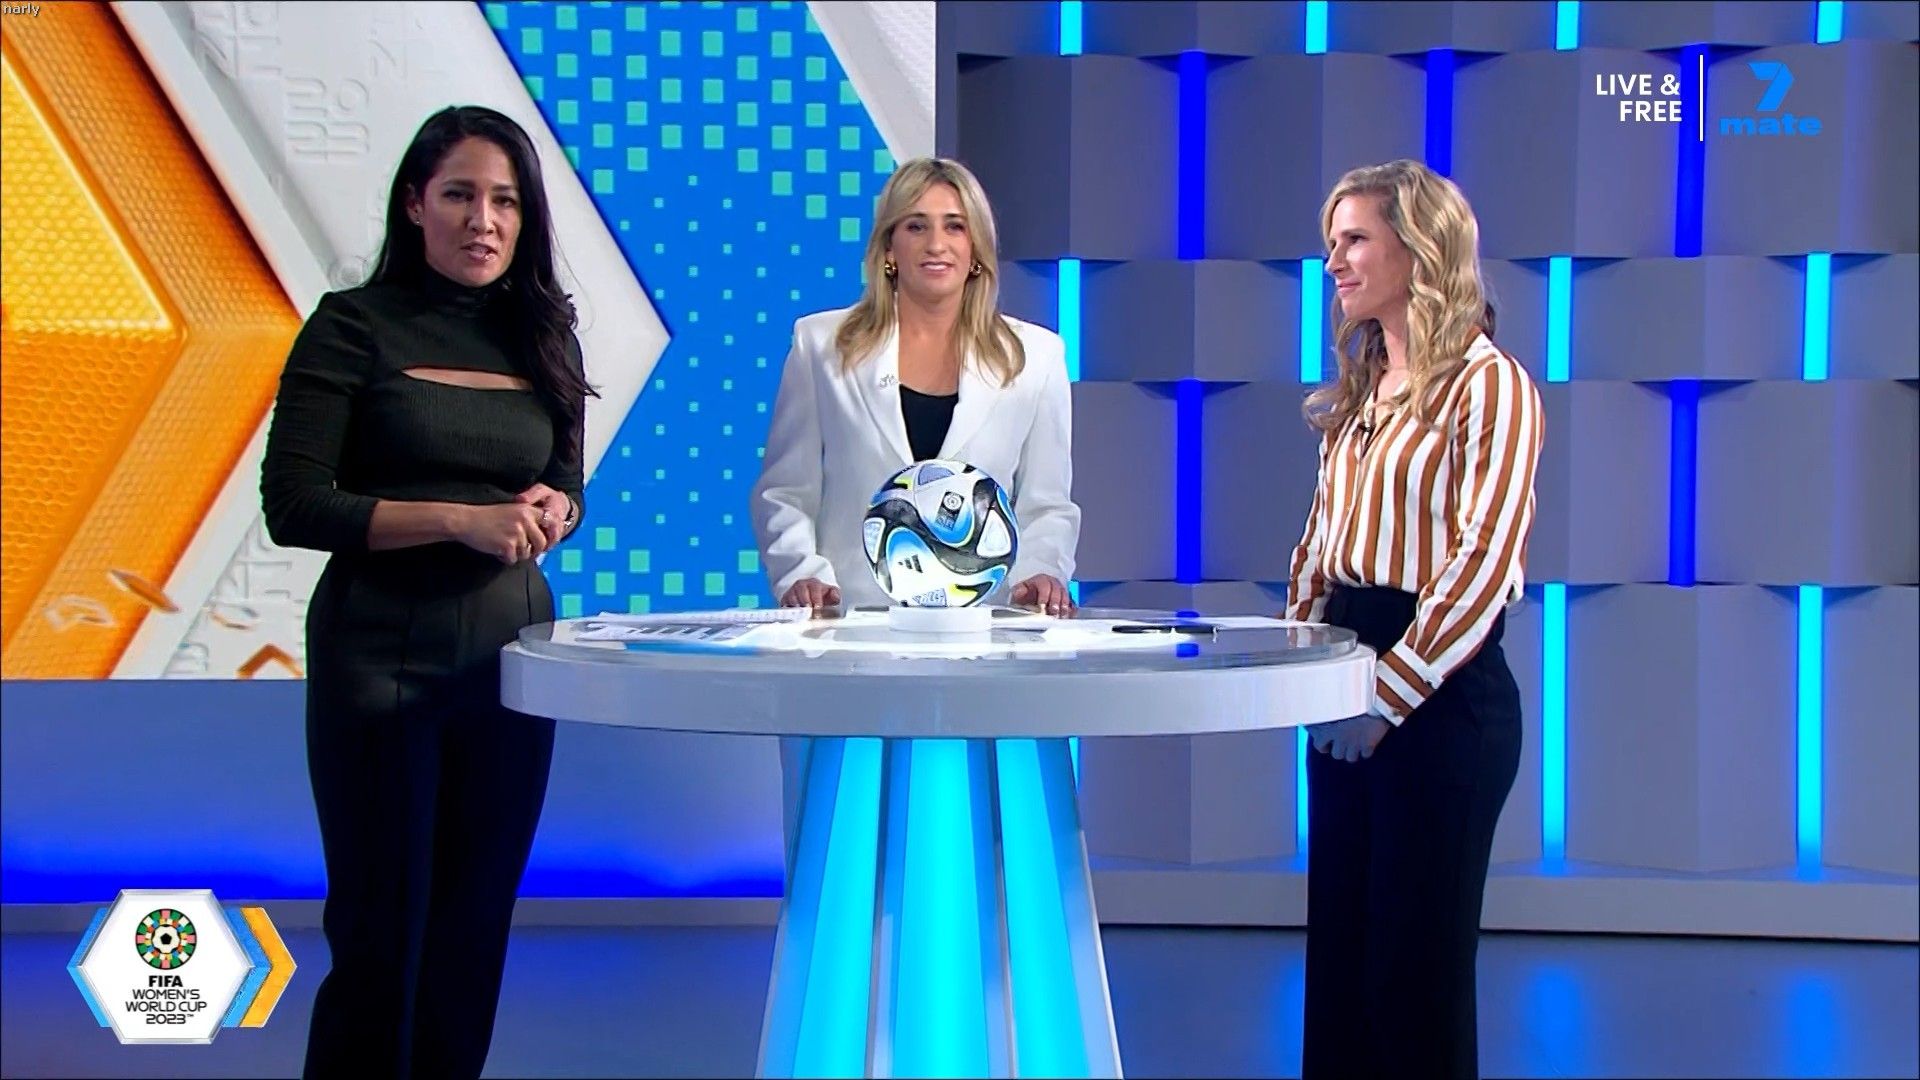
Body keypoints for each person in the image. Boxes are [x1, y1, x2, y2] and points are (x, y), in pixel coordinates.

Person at [261, 104, 594, 1079]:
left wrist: (557, 509)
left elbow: (564, 483)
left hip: (511, 661)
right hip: (380, 654)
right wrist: (458, 518)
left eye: (505, 202)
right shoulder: (352, 326)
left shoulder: (545, 335)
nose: (483, 221)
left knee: (472, 929)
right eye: (459, 195)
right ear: (415, 204)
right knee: (380, 933)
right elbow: (296, 504)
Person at [1284, 159, 1544, 1080]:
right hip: (1346, 676)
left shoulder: (1489, 385)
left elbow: (1481, 564)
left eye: (1353, 240)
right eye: (1331, 243)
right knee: (1344, 969)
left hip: (1441, 700)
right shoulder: (1363, 389)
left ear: (1418, 247)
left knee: (1414, 979)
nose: (1334, 263)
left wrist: (1384, 699)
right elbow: (1320, 548)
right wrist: (1305, 667)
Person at [750, 156, 1080, 615]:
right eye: (916, 226)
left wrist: (1040, 575)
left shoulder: (1035, 357)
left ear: (976, 249)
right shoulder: (821, 346)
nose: (936, 244)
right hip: (851, 622)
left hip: (984, 626)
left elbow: (1047, 504)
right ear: (889, 247)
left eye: (955, 227)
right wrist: (801, 574)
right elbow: (785, 492)